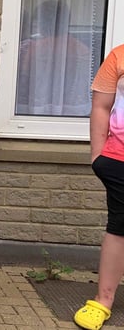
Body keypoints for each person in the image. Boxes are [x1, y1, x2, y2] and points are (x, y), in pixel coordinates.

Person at [73, 43, 124, 330]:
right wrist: (98, 155)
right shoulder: (119, 56)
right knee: (119, 227)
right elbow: (101, 107)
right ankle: (103, 301)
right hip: (120, 158)